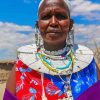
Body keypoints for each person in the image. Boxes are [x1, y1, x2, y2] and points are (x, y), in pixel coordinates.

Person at [3, 0, 100, 100]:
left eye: (60, 16)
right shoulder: (21, 68)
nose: (53, 22)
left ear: (70, 24)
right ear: (38, 25)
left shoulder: (89, 65)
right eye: (46, 17)